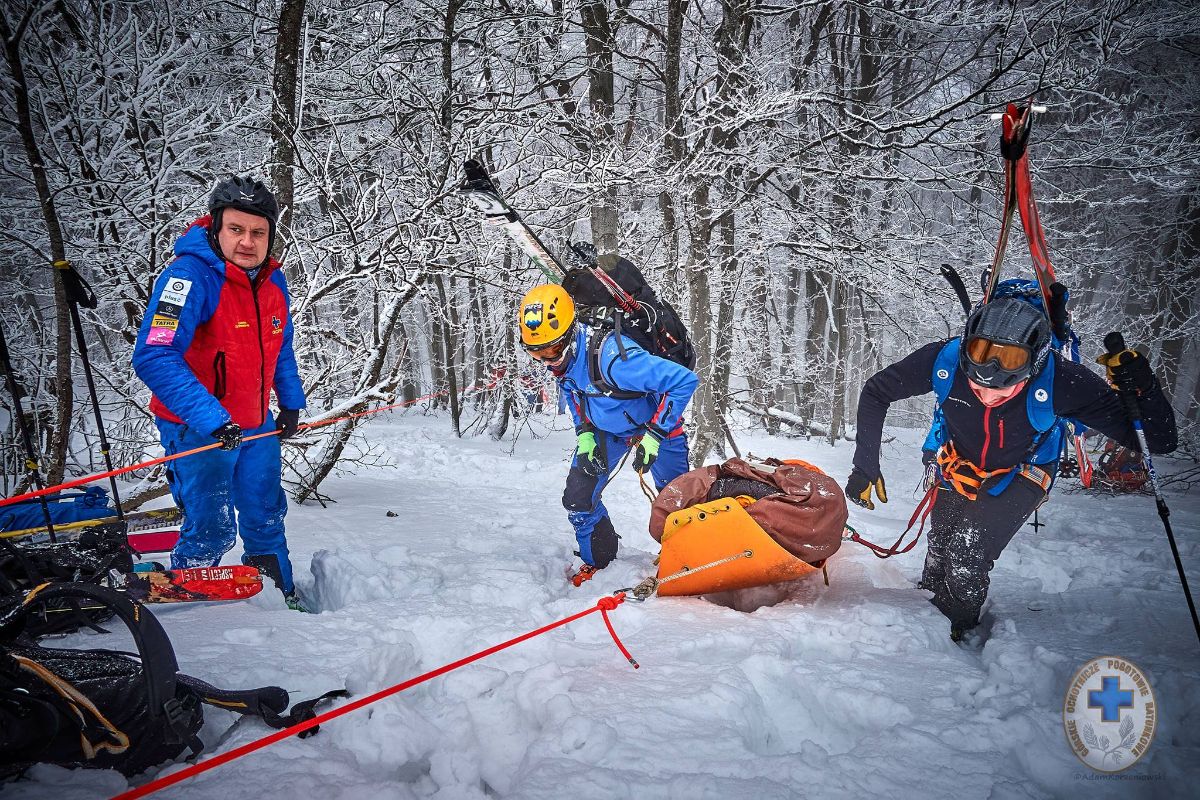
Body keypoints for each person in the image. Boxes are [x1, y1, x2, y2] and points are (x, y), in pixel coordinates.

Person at [846, 297, 1177, 640]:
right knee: (941, 543)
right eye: (980, 351)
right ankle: (927, 605)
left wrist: (1144, 388)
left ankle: (952, 633)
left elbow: (1159, 440)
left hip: (1025, 470)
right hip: (958, 464)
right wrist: (865, 464)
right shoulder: (943, 360)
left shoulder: (1061, 381)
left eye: (1010, 358)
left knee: (966, 553)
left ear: (1033, 360)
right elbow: (876, 392)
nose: (990, 374)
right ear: (966, 347)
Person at [132, 176, 306, 608]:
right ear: (215, 226)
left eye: (258, 232)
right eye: (236, 229)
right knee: (211, 524)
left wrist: (290, 401)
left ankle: (275, 593)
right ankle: (193, 603)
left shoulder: (273, 282)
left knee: (266, 514)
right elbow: (154, 356)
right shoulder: (187, 278)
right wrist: (213, 419)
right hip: (199, 427)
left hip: (255, 423)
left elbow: (279, 344)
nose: (247, 241)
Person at [518, 283, 698, 586]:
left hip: (657, 427)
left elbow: (684, 381)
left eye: (551, 350)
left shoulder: (617, 361)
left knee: (675, 503)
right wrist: (584, 433)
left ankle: (685, 565)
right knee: (578, 497)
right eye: (537, 353)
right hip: (607, 431)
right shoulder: (565, 361)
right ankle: (598, 560)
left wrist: (654, 433)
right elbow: (574, 392)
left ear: (569, 334)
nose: (548, 362)